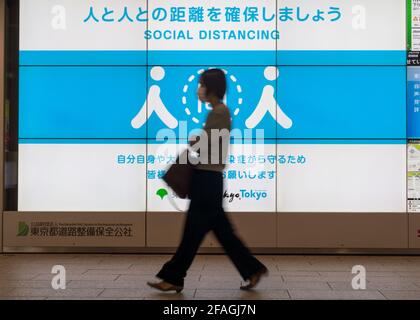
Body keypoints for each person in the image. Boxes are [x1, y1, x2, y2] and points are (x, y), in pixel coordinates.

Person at [147, 69, 268, 293]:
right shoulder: (218, 112)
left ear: (211, 87)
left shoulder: (219, 112)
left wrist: (192, 143)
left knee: (192, 234)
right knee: (222, 233)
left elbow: (205, 144)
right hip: (210, 180)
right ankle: (251, 269)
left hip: (206, 180)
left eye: (202, 84)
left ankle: (173, 276)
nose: (199, 90)